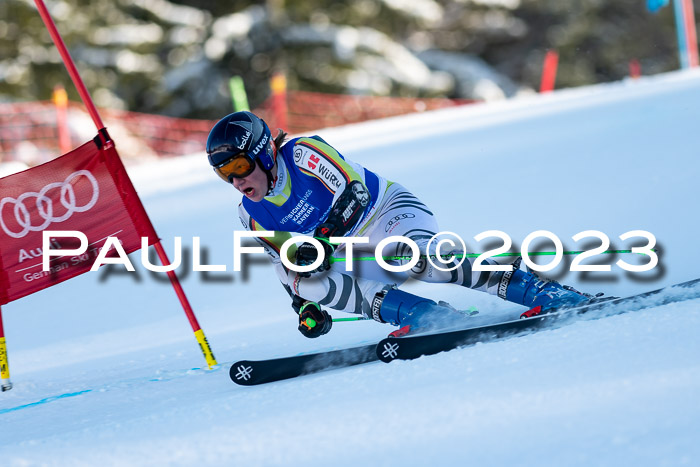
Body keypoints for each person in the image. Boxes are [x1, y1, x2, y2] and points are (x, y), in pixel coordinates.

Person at [206, 111, 596, 338]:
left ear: (264, 154)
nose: (238, 181)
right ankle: (424, 317)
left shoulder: (304, 153)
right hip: (351, 250)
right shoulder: (250, 213)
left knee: (422, 261)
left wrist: (320, 244)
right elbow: (283, 265)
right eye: (226, 174)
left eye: (240, 166)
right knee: (306, 279)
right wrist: (305, 306)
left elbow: (354, 195)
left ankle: (540, 290)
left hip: (386, 213)